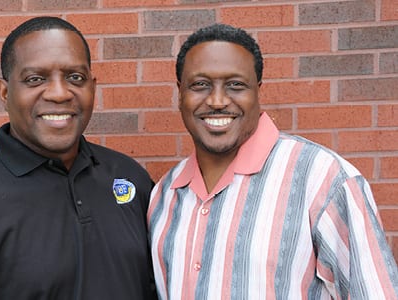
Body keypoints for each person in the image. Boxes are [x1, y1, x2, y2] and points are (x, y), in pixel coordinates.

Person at [0, 16, 157, 300]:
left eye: (75, 77)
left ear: (92, 87)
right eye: (35, 79)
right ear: (5, 91)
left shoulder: (130, 180)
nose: (60, 93)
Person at [147, 23, 398, 299]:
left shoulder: (322, 179)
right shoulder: (164, 194)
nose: (217, 100)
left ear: (257, 90)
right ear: (180, 92)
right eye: (200, 85)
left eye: (235, 85)